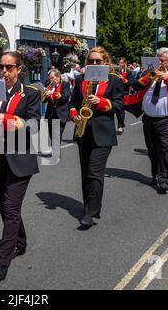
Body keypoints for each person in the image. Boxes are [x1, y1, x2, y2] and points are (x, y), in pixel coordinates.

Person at [0, 51, 41, 281]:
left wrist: (10, 121)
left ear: (19, 70)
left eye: (9, 68)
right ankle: (20, 241)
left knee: (10, 208)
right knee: (5, 207)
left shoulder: (30, 93)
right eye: (1, 67)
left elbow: (35, 123)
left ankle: (1, 262)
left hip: (20, 158)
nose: (4, 72)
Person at [69, 46, 124, 230]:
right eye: (91, 61)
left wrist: (100, 102)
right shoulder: (80, 79)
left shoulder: (114, 80)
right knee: (86, 173)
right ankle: (91, 207)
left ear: (105, 62)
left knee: (94, 172)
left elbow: (118, 104)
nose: (94, 64)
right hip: (82, 131)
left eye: (98, 61)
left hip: (103, 133)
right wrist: (74, 114)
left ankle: (90, 213)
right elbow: (72, 103)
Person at [124, 47, 168, 194]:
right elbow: (134, 85)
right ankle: (155, 174)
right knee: (152, 150)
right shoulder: (149, 73)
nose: (159, 62)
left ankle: (164, 179)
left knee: (165, 149)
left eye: (162, 60)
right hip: (149, 119)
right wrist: (148, 78)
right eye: (158, 59)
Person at [42, 68, 70, 157]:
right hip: (51, 113)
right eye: (49, 78)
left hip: (61, 113)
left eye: (52, 78)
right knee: (51, 133)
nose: (50, 80)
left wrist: (52, 93)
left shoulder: (65, 84)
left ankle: (56, 152)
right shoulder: (48, 85)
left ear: (58, 77)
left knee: (57, 133)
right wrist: (44, 95)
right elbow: (44, 101)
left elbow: (65, 97)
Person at [115, 57, 134, 135]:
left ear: (125, 63)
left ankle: (120, 126)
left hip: (124, 92)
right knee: (117, 110)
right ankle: (121, 124)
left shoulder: (129, 72)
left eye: (122, 62)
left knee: (121, 109)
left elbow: (130, 83)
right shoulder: (116, 71)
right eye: (119, 62)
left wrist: (123, 79)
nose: (120, 64)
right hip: (116, 92)